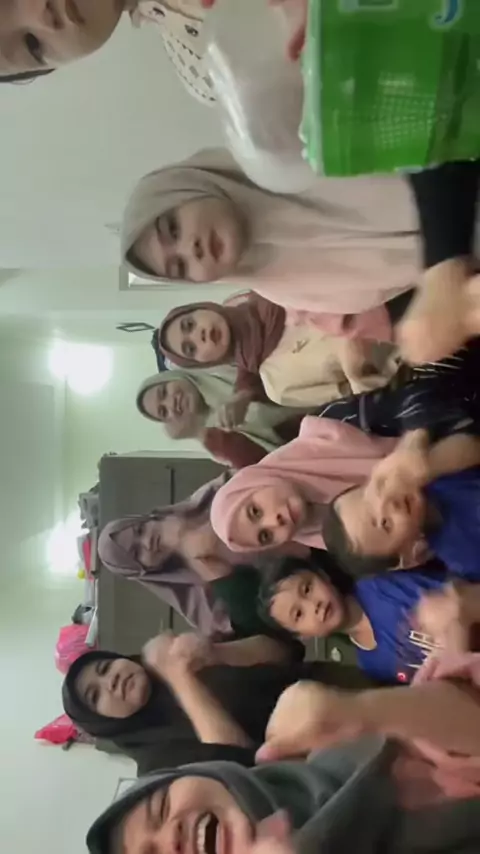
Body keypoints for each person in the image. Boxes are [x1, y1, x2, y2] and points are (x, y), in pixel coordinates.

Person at [86, 650, 480, 854]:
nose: (169, 838)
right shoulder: (154, 753)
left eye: (160, 809)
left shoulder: (342, 750)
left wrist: (361, 712)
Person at [121, 146, 480, 365]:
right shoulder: (287, 292)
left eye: (173, 228)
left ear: (190, 185)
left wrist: (444, 267)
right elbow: (415, 302)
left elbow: (434, 134)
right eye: (180, 266)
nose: (192, 249)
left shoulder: (289, 146)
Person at [62, 632, 373, 774]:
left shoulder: (175, 653)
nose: (111, 681)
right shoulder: (156, 766)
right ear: (104, 723)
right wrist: (180, 677)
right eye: (95, 695)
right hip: (336, 757)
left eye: (106, 667)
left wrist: (216, 652)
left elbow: (285, 652)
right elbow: (241, 767)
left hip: (354, 691)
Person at [97, 474, 309, 651]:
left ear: (147, 518)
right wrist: (204, 562)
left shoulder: (207, 499)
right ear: (144, 571)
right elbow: (264, 629)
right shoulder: (195, 599)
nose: (147, 541)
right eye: (137, 552)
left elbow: (259, 474)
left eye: (140, 530)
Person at [156, 296, 400, 409]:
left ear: (203, 307)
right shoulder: (277, 385)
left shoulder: (273, 290)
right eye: (191, 348)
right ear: (203, 363)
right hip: (408, 353)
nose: (199, 335)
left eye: (189, 324)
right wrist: (355, 369)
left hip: (400, 290)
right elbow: (361, 398)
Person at [257, 552, 452, 685]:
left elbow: (456, 592)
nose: (314, 605)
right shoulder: (370, 665)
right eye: (299, 614)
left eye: (307, 589)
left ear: (323, 575)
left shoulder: (381, 584)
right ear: (303, 636)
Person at [209, 417, 397, 554]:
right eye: (266, 536)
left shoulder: (328, 428)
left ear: (253, 481)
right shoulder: (339, 543)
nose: (275, 522)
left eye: (255, 511)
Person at [136, 365, 319, 469]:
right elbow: (261, 466)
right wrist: (198, 432)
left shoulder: (222, 366)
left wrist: (244, 394)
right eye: (164, 412)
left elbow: (256, 361)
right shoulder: (215, 440)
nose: (171, 403)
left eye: (164, 392)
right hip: (321, 432)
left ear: (173, 376)